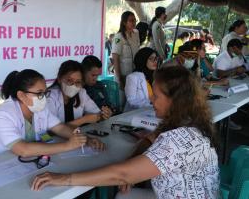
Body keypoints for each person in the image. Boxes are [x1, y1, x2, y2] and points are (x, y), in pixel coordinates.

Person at [31, 66, 220, 199]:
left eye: (156, 96)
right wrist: (133, 168)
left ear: (175, 100)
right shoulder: (186, 122)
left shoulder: (178, 138)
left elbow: (120, 175)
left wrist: (62, 178)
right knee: (123, 194)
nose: (151, 100)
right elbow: (149, 140)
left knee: (122, 191)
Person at [0, 69, 88, 159]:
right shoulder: (3, 114)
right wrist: (67, 146)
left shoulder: (40, 109)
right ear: (21, 95)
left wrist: (83, 139)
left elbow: (59, 128)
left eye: (45, 93)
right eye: (39, 93)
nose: (44, 98)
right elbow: (23, 149)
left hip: (19, 162)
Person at [47, 60, 109, 128]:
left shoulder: (81, 93)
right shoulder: (50, 97)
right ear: (59, 79)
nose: (74, 85)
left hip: (75, 136)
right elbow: (51, 130)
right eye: (69, 80)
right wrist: (83, 120)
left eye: (78, 82)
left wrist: (103, 115)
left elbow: (96, 114)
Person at [112, 11, 140, 90]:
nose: (134, 22)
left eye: (135, 20)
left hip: (134, 74)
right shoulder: (119, 37)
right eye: (131, 20)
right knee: (122, 100)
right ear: (124, 22)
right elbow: (115, 58)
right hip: (123, 75)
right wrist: (120, 78)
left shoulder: (136, 33)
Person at [124, 47, 158, 111]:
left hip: (150, 112)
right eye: (151, 59)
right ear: (143, 59)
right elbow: (131, 101)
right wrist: (151, 102)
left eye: (156, 58)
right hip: (133, 115)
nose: (155, 61)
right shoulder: (132, 77)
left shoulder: (154, 77)